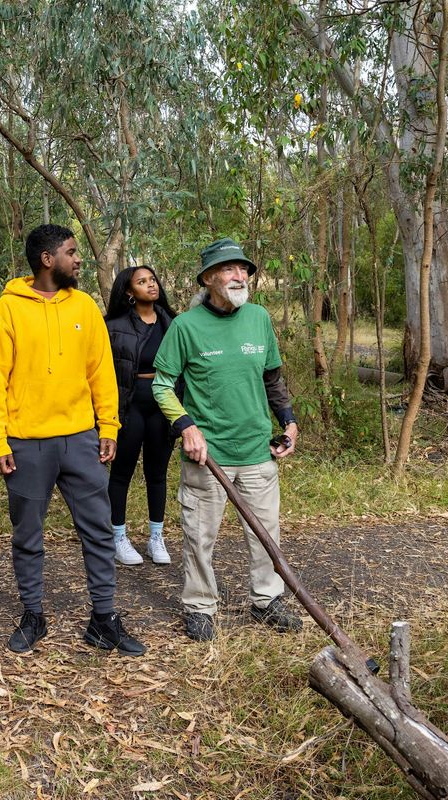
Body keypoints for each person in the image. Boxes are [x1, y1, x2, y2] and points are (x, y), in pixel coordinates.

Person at [0, 223, 144, 656]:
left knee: (99, 531)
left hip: (80, 440)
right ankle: (33, 614)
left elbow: (101, 371)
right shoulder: (8, 310)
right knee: (28, 535)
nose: (78, 259)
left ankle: (103, 619)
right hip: (26, 443)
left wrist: (108, 426)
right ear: (47, 260)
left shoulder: (85, 307)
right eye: (71, 252)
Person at [151, 237, 303, 642]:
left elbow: (272, 378)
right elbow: (163, 386)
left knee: (265, 532)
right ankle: (200, 606)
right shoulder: (185, 326)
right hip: (208, 456)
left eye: (244, 269)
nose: (240, 276)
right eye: (230, 269)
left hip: (257, 451)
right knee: (200, 535)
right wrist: (187, 427)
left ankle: (267, 600)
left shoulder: (259, 318)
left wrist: (288, 422)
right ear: (208, 278)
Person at [104, 266, 177, 567]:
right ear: (129, 292)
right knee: (122, 472)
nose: (151, 285)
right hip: (129, 406)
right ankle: (118, 537)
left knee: (157, 473)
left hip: (164, 406)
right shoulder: (114, 326)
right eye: (142, 282)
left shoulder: (172, 322)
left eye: (153, 280)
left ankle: (156, 537)